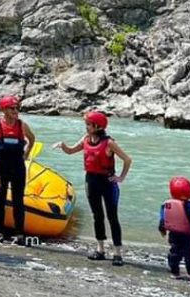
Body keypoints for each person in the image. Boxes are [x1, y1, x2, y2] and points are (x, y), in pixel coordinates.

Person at [55, 111, 132, 265]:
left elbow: (127, 160)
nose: (86, 127)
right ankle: (100, 250)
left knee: (112, 217)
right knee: (97, 215)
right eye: (86, 124)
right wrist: (63, 146)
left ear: (97, 126)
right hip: (91, 181)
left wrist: (121, 177)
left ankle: (117, 253)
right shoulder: (85, 140)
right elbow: (71, 151)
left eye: (89, 125)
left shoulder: (109, 143)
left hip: (108, 182)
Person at [0, 95, 35, 244]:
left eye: (17, 108)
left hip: (17, 167)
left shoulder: (22, 125)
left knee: (18, 200)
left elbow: (32, 139)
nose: (16, 111)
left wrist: (26, 154)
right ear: (3, 109)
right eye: (12, 108)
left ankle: (20, 233)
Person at [160, 177, 190, 284]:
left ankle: (174, 272)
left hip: (173, 234)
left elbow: (163, 220)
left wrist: (162, 230)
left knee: (174, 253)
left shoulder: (166, 205)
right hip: (188, 236)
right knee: (189, 255)